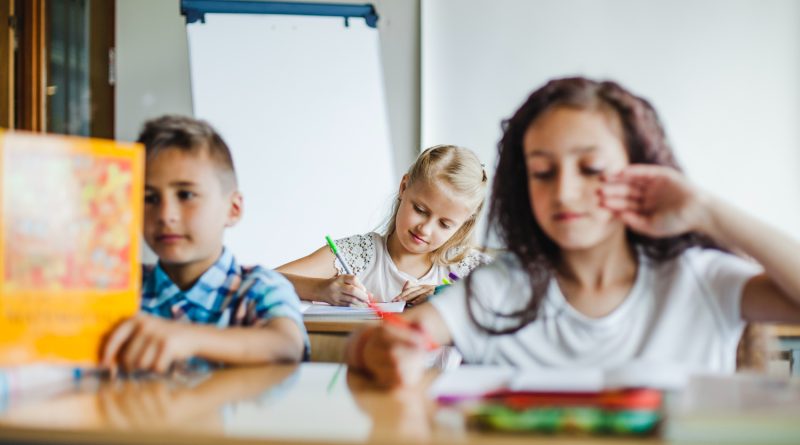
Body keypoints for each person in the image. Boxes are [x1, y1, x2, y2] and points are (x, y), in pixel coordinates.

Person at [345, 77, 800, 388]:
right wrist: (386, 350)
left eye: (591, 168)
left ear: (641, 170)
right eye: (542, 172)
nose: (564, 191)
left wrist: (706, 211)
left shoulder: (699, 279)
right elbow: (380, 345)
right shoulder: (500, 289)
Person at [101, 115, 308, 373]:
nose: (166, 215)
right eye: (150, 198)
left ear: (232, 209)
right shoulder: (117, 286)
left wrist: (187, 337)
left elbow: (286, 345)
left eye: (186, 195)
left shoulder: (259, 288)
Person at [277, 145, 490, 306]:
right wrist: (320, 290)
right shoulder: (358, 255)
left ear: (464, 223)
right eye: (420, 210)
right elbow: (262, 281)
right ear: (404, 187)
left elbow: (517, 307)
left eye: (444, 224)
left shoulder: (468, 269)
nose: (425, 229)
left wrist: (445, 296)